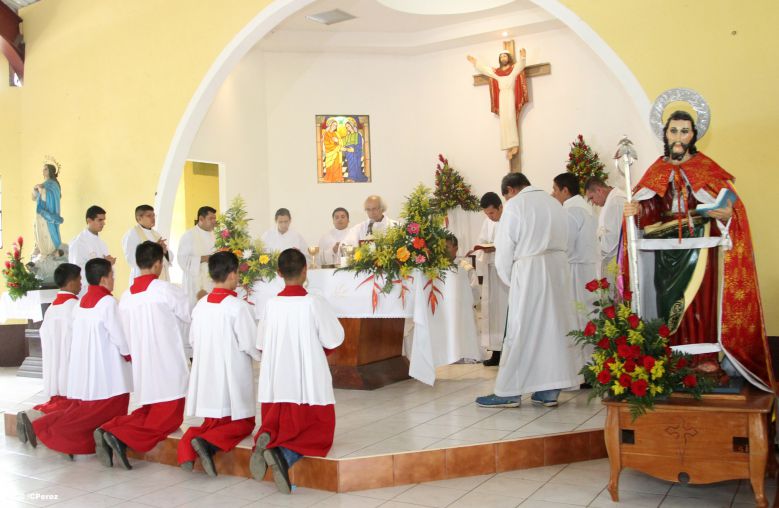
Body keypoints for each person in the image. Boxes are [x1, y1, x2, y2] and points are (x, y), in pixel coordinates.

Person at [622, 110, 772, 389]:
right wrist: (637, 210)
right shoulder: (657, 170)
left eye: (684, 131)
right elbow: (650, 207)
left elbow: (730, 208)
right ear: (665, 134)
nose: (678, 137)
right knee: (668, 300)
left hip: (701, 246)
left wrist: (726, 214)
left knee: (701, 301)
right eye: (673, 131)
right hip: (666, 249)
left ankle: (704, 357)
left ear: (693, 135)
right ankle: (673, 354)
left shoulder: (706, 168)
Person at [476, 173, 579, 408]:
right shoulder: (555, 203)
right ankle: (549, 390)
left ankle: (508, 392)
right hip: (558, 271)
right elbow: (568, 239)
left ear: (511, 190)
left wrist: (513, 280)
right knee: (553, 330)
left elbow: (504, 249)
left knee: (520, 330)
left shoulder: (515, 206)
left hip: (530, 272)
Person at [250, 248, 344, 494]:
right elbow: (333, 339)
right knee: (318, 433)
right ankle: (284, 455)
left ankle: (268, 436)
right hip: (307, 378)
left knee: (278, 420)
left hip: (277, 379)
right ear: (305, 270)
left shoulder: (272, 304)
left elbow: (261, 344)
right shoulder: (313, 302)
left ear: (279, 273)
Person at [95, 241, 190, 469]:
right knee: (167, 420)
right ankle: (120, 437)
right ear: (158, 264)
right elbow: (189, 314)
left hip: (143, 364)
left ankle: (110, 428)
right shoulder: (165, 290)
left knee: (148, 410)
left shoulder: (126, 296)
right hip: (167, 363)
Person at [29, 258, 132, 457]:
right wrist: (128, 354)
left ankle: (45, 424)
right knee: (97, 413)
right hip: (109, 369)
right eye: (112, 275)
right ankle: (50, 429)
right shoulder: (108, 302)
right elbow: (118, 335)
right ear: (103, 279)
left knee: (86, 412)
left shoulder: (81, 303)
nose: (113, 279)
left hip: (88, 367)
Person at [179, 251, 261, 476]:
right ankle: (206, 444)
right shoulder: (238, 307)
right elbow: (250, 344)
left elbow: (192, 340)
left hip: (207, 377)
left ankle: (187, 448)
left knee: (212, 422)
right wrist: (263, 356)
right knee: (243, 423)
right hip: (230, 379)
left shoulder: (201, 305)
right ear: (233, 274)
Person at [16, 263, 81, 446]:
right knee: (72, 406)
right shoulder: (74, 306)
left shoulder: (52, 307)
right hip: (69, 364)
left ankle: (31, 414)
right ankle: (34, 418)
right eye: (79, 280)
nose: (81, 284)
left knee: (58, 400)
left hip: (54, 364)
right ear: (71, 282)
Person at [552, 172, 598, 377]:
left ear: (565, 190)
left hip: (576, 269)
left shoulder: (570, 210)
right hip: (588, 267)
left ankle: (582, 369)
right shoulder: (586, 208)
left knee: (577, 317)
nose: (553, 193)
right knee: (588, 315)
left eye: (555, 189)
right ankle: (592, 365)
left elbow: (566, 244)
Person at [467, 49, 527, 160]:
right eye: (501, 57)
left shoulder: (513, 70)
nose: (503, 58)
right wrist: (475, 62)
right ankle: (507, 146)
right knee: (504, 121)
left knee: (511, 118)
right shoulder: (497, 73)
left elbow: (520, 66)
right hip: (502, 96)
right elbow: (485, 70)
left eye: (505, 56)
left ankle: (514, 145)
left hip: (510, 95)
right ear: (500, 59)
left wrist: (523, 57)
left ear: (508, 57)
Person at [473, 192, 509, 366]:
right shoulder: (488, 222)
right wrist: (484, 248)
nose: (490, 217)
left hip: (506, 273)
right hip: (491, 270)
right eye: (487, 214)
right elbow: (481, 241)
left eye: (492, 213)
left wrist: (497, 248)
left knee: (505, 312)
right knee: (492, 313)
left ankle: (508, 352)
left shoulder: (510, 219)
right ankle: (495, 351)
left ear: (500, 207)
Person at [584, 177, 626, 283]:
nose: (593, 202)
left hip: (616, 258)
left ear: (599, 190)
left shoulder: (616, 201)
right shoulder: (611, 200)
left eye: (592, 198)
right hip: (612, 257)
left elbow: (614, 237)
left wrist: (600, 251)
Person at [68, 205, 116, 296]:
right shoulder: (79, 243)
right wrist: (104, 264)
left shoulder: (102, 243)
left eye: (104, 220)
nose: (103, 223)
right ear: (89, 221)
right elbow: (76, 270)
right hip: (85, 291)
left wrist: (108, 263)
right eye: (100, 220)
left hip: (102, 289)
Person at [121, 205, 173, 284]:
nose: (153, 218)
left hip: (160, 277)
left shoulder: (156, 234)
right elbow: (131, 259)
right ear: (139, 218)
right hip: (142, 277)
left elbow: (168, 258)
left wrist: (165, 252)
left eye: (153, 215)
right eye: (149, 216)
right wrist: (155, 249)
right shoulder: (132, 234)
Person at [178, 206, 217, 308]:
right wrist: (204, 258)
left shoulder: (215, 235)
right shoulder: (189, 235)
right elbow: (182, 260)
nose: (214, 221)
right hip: (196, 281)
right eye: (211, 218)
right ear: (201, 219)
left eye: (214, 218)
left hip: (213, 278)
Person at [31, 161, 64, 257]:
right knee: (39, 231)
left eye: (45, 169)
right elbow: (34, 198)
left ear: (51, 171)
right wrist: (35, 189)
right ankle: (41, 250)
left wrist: (43, 190)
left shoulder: (53, 184)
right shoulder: (43, 184)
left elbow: (53, 196)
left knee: (48, 232)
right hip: (40, 212)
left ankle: (51, 251)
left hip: (49, 213)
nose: (43, 171)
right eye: (43, 169)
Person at [321, 118, 343, 183]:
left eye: (336, 125)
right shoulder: (326, 134)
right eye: (333, 125)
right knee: (330, 166)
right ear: (330, 125)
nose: (335, 126)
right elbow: (327, 144)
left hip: (337, 154)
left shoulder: (336, 133)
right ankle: (331, 179)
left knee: (337, 166)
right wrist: (335, 144)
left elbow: (341, 143)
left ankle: (337, 178)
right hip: (330, 153)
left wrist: (337, 141)